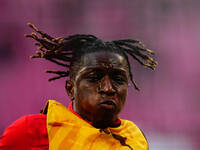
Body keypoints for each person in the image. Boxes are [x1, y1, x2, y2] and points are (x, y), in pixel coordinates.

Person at [0, 23, 157, 150]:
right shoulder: (32, 131)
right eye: (94, 77)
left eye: (118, 79)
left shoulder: (136, 138)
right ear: (70, 89)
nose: (108, 88)